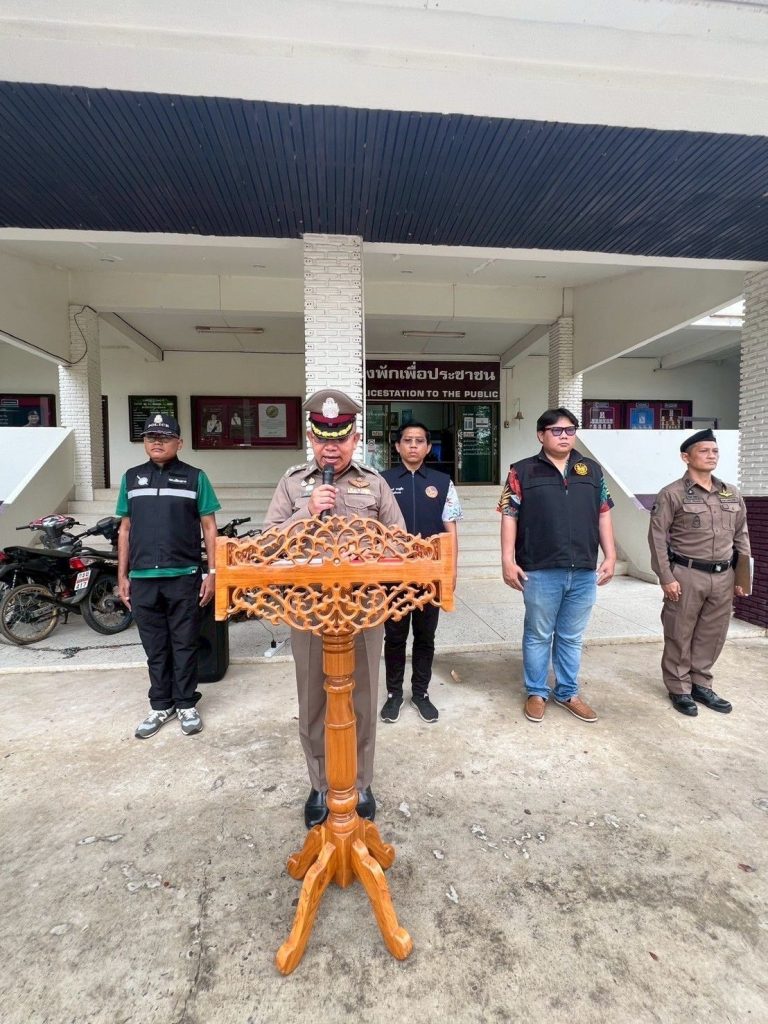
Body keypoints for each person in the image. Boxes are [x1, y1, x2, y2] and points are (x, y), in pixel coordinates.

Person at [263, 389, 405, 828]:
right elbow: (267, 545)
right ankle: (321, 784)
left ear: (355, 438)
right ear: (311, 438)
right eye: (323, 438)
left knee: (362, 700)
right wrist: (306, 512)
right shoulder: (292, 484)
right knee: (314, 702)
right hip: (309, 609)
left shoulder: (375, 484)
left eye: (340, 438)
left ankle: (360, 782)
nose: (331, 447)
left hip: (362, 608)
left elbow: (400, 542)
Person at [498, 407, 616, 724]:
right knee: (538, 634)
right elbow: (509, 515)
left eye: (570, 430)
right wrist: (507, 560)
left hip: (583, 569)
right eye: (556, 430)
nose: (564, 436)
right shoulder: (521, 471)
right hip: (540, 568)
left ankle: (567, 692)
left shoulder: (592, 470)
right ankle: (536, 692)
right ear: (541, 435)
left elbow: (604, 512)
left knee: (571, 636)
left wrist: (610, 555)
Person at [117, 413, 221, 739]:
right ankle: (161, 705)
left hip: (184, 576)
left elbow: (209, 527)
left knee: (184, 643)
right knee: (155, 647)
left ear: (179, 442)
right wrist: (122, 575)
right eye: (151, 437)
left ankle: (186, 703)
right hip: (142, 578)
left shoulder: (195, 478)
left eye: (164, 437)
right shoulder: (131, 478)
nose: (157, 442)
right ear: (144, 443)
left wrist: (212, 572)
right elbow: (125, 529)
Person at [647, 428, 750, 716]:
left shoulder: (731, 493)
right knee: (679, 632)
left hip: (724, 575)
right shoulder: (672, 493)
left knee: (712, 633)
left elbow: (741, 536)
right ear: (686, 457)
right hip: (687, 573)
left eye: (715, 451)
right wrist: (666, 577)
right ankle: (679, 687)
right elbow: (657, 538)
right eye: (704, 451)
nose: (711, 455)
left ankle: (701, 684)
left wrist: (742, 578)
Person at [379, 422, 462, 724]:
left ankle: (421, 693)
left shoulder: (442, 482)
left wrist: (451, 569)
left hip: (430, 574)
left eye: (419, 441)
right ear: (397, 446)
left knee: (426, 636)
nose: (413, 445)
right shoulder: (383, 481)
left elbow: (451, 529)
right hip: (394, 574)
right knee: (395, 636)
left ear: (428, 447)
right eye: (407, 440)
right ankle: (393, 694)